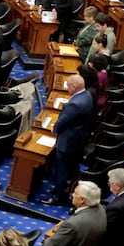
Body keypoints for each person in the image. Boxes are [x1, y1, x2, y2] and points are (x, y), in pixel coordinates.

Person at [40, 74, 92, 205]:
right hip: (78, 139)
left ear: (74, 87)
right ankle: (62, 190)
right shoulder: (87, 95)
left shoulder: (75, 104)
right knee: (69, 168)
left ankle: (59, 197)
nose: (66, 88)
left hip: (68, 142)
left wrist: (55, 128)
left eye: (68, 85)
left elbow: (63, 121)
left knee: (62, 170)